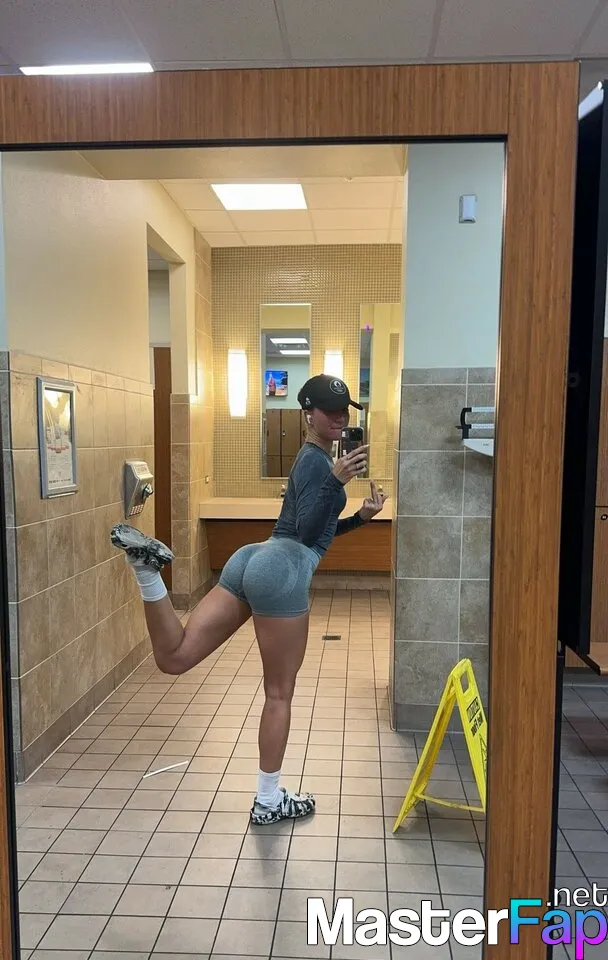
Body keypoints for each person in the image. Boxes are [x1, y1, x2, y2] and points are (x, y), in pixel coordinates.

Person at [110, 373, 388, 825]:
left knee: (174, 658)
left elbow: (311, 529)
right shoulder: (319, 463)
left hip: (252, 558)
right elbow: (306, 533)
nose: (339, 418)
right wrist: (336, 482)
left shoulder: (311, 458)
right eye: (330, 411)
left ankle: (147, 573)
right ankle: (268, 800)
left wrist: (360, 517)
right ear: (308, 415)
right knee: (279, 694)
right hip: (280, 571)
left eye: (344, 411)